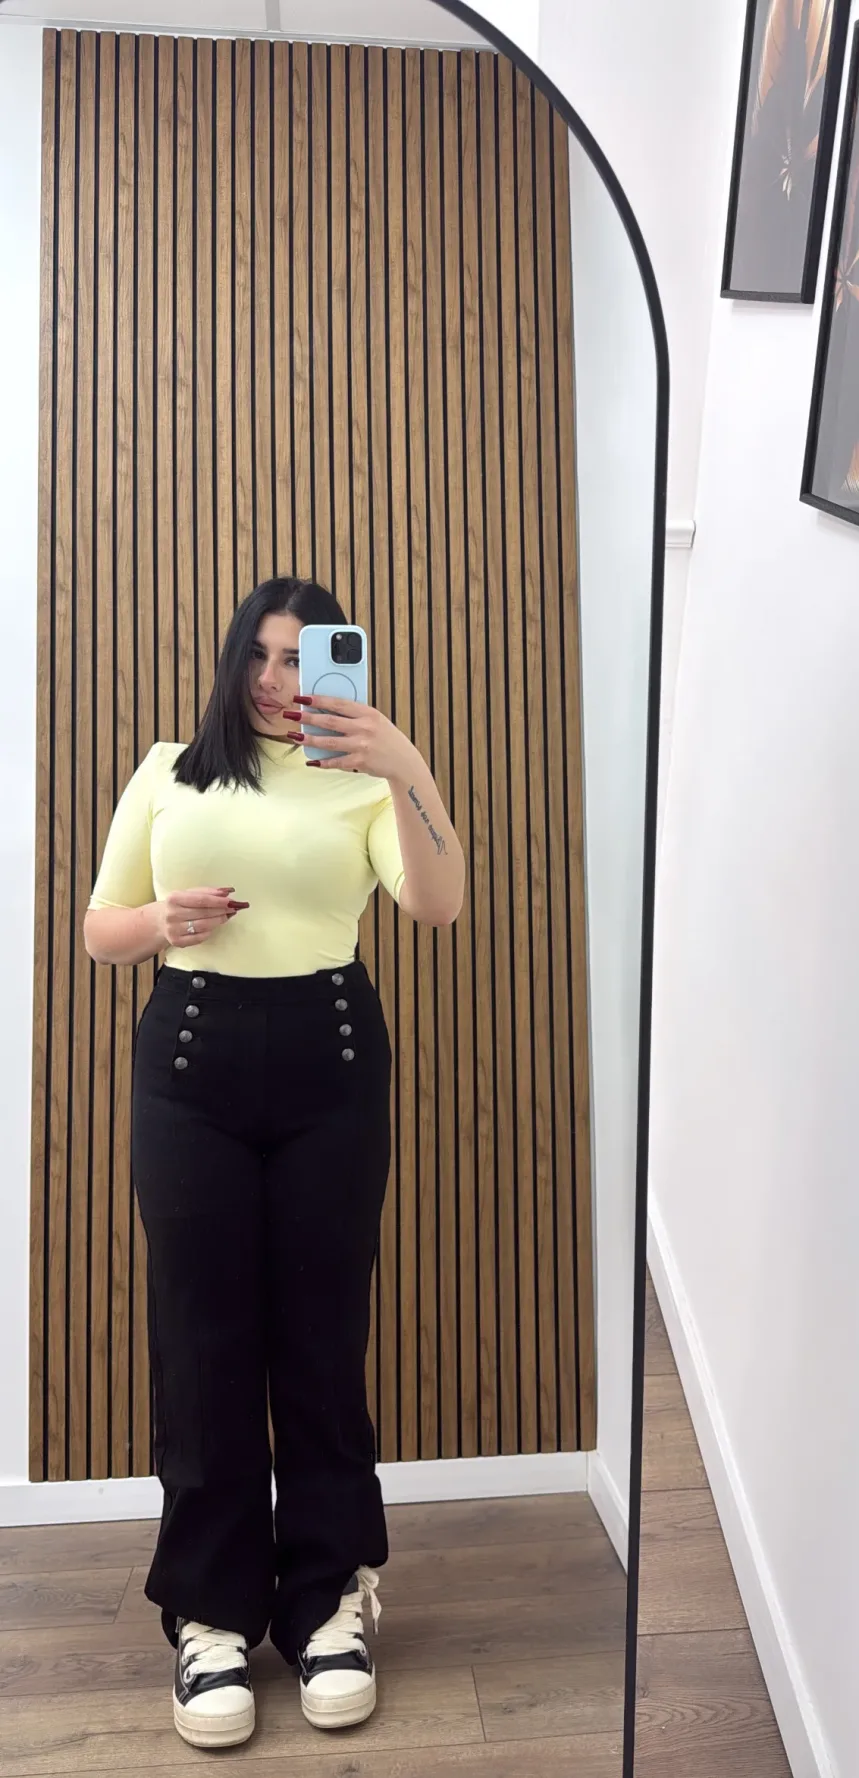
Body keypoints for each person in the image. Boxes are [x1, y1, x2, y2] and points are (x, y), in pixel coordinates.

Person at [84, 576, 464, 1750]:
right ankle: (211, 1612)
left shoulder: (362, 780)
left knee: (320, 1336)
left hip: (329, 1063)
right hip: (188, 1060)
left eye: (300, 658)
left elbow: (439, 903)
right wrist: (164, 923)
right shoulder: (169, 769)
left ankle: (328, 1595)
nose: (273, 678)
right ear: (231, 659)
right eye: (258, 653)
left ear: (334, 665)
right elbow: (100, 927)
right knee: (201, 1340)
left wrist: (402, 761)